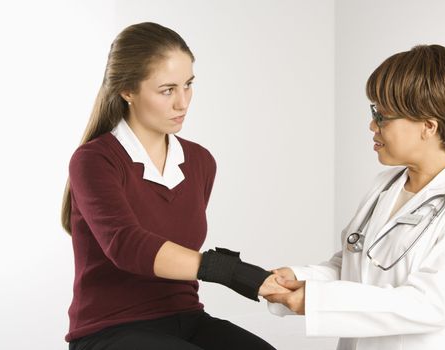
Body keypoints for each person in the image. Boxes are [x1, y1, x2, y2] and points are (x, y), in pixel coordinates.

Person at [61, 22, 287, 350]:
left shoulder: (199, 162)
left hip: (185, 318)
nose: (183, 102)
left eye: (188, 85)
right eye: (167, 90)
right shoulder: (95, 160)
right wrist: (237, 273)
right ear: (127, 91)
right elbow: (128, 245)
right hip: (108, 330)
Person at [264, 45, 445, 350]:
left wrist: (317, 300)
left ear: (428, 126)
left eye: (382, 116)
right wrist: (298, 278)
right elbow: (354, 266)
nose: (372, 126)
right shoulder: (385, 186)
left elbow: (432, 304)